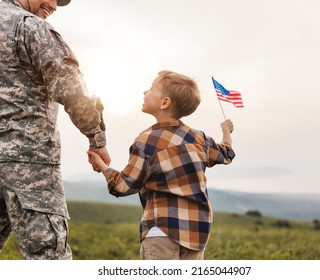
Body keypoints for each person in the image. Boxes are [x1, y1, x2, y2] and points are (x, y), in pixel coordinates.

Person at [0, 0, 111, 260]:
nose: (54, 5)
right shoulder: (29, 27)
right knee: (48, 257)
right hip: (29, 164)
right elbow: (72, 88)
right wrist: (97, 138)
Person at [88, 70, 235, 260]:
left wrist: (101, 165)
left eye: (150, 89)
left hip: (161, 232)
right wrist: (226, 130)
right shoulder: (200, 139)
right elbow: (226, 153)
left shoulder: (146, 142)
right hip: (197, 234)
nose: (144, 92)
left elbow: (123, 186)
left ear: (165, 102)